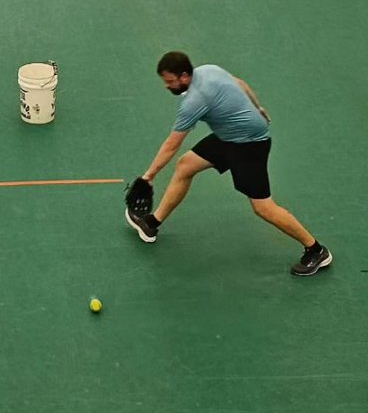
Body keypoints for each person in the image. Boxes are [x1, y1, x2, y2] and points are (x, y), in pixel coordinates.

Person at [126, 51, 333, 277]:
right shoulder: (209, 70)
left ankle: (316, 250)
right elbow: (240, 84)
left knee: (263, 207)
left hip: (249, 145)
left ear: (184, 76)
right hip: (229, 137)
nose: (167, 87)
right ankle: (152, 224)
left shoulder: (194, 101)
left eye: (169, 82)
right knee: (186, 165)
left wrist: (148, 176)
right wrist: (258, 108)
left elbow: (171, 144)